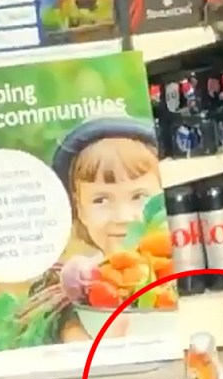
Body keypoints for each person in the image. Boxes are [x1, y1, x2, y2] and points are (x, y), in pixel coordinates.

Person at [19, 118, 164, 343]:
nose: (122, 217)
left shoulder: (182, 268)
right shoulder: (75, 292)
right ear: (79, 208)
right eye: (101, 200)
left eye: (139, 197)